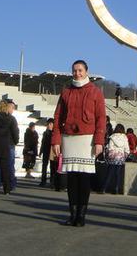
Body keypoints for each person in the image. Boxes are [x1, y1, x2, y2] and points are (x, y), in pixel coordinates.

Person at [52, 59, 106, 227]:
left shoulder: (95, 92)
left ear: (87, 72)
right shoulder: (66, 91)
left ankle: (81, 215)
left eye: (80, 70)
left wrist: (99, 141)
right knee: (71, 179)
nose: (77, 73)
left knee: (83, 179)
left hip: (87, 140)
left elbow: (101, 118)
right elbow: (58, 117)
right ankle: (72, 214)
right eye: (74, 70)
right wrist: (56, 140)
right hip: (68, 138)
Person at [102, 124, 129, 194]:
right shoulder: (124, 137)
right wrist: (124, 156)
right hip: (120, 157)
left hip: (113, 157)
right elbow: (127, 149)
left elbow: (110, 148)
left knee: (109, 173)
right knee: (118, 174)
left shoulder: (112, 137)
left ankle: (104, 188)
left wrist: (109, 155)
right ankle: (116, 189)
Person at [39, 118, 54, 187]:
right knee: (44, 166)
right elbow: (43, 142)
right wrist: (40, 151)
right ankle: (43, 180)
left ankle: (52, 181)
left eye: (51, 124)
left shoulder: (54, 133)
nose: (49, 125)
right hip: (45, 150)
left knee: (52, 166)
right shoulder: (45, 133)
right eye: (48, 124)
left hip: (52, 151)